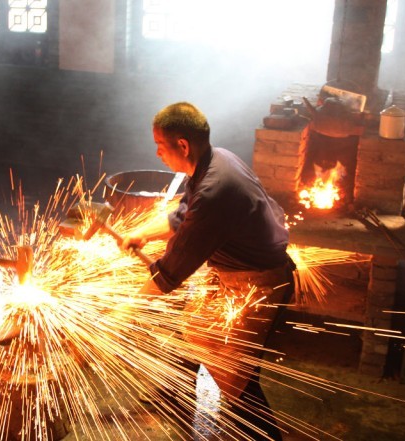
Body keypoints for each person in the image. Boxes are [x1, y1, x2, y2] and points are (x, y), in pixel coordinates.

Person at [122, 102, 295, 440]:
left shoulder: (216, 189)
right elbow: (184, 214)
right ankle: (175, 397)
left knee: (238, 382)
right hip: (232, 276)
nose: (157, 153)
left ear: (182, 145)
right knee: (188, 338)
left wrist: (125, 311)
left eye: (160, 145)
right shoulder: (216, 160)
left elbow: (171, 272)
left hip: (256, 286)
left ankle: (263, 435)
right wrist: (143, 233)